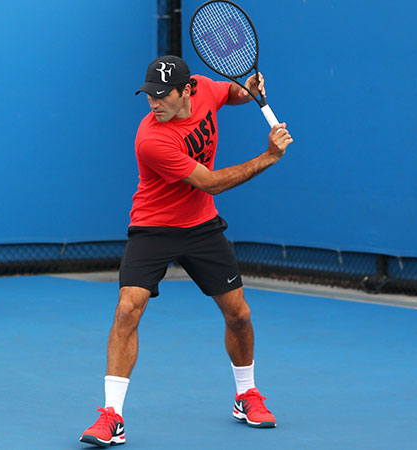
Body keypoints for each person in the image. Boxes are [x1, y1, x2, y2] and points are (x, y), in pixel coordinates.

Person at [79, 55, 293, 447]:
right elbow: (209, 182)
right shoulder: (151, 138)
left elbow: (228, 92)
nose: (154, 102)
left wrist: (248, 88)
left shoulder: (205, 87)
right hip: (153, 227)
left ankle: (246, 394)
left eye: (162, 95)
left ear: (187, 89)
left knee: (239, 314)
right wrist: (269, 156)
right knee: (128, 308)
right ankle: (112, 416)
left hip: (201, 228)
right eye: (149, 95)